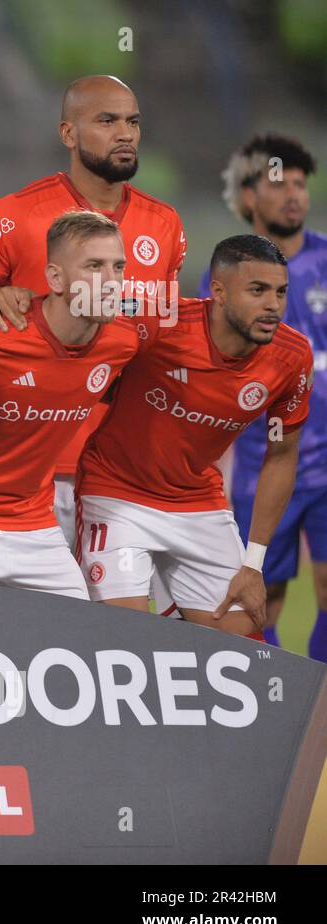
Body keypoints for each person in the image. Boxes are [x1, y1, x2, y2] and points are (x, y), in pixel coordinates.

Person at [0, 75, 186, 548]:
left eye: (132, 121)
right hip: (31, 472)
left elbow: (159, 336)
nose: (125, 133)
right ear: (67, 134)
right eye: (107, 121)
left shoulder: (165, 224)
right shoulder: (19, 214)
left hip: (125, 469)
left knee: (115, 619)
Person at [79, 235, 311, 636]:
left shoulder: (292, 358)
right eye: (257, 290)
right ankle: (168, 601)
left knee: (242, 653)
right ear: (218, 291)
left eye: (280, 292)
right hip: (116, 492)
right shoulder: (161, 319)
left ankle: (172, 599)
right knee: (122, 637)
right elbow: (80, 305)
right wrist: (13, 297)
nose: (273, 305)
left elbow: (282, 454)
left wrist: (253, 563)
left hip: (197, 502)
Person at [0, 211, 142, 597]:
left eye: (118, 267)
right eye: (94, 267)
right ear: (55, 278)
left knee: (78, 646)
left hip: (36, 528)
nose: (111, 281)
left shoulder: (123, 341)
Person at [201, 134, 327, 656]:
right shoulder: (230, 274)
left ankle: (319, 725)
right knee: (261, 600)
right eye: (279, 183)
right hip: (268, 462)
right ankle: (269, 715)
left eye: (301, 183)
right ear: (248, 196)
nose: (294, 193)